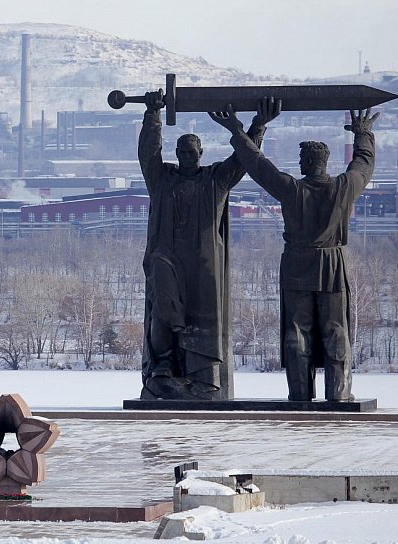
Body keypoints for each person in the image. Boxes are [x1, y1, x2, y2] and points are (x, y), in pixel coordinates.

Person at [210, 101, 379, 402]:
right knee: (335, 328)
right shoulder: (343, 187)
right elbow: (363, 164)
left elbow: (257, 164)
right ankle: (338, 393)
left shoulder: (292, 189)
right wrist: (363, 134)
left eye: (302, 158)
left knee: (297, 329)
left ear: (309, 161)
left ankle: (300, 393)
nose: (299, 163)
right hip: (330, 263)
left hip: (298, 263)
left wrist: (239, 129)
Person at [139, 92, 278, 400]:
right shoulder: (161, 178)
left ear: (200, 152)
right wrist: (153, 117)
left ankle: (201, 377)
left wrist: (256, 127)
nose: (188, 155)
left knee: (202, 318)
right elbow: (147, 154)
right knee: (163, 307)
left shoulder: (215, 179)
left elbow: (244, 159)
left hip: (202, 264)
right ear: (175, 153)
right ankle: (162, 368)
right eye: (183, 151)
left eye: (192, 151)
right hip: (167, 257)